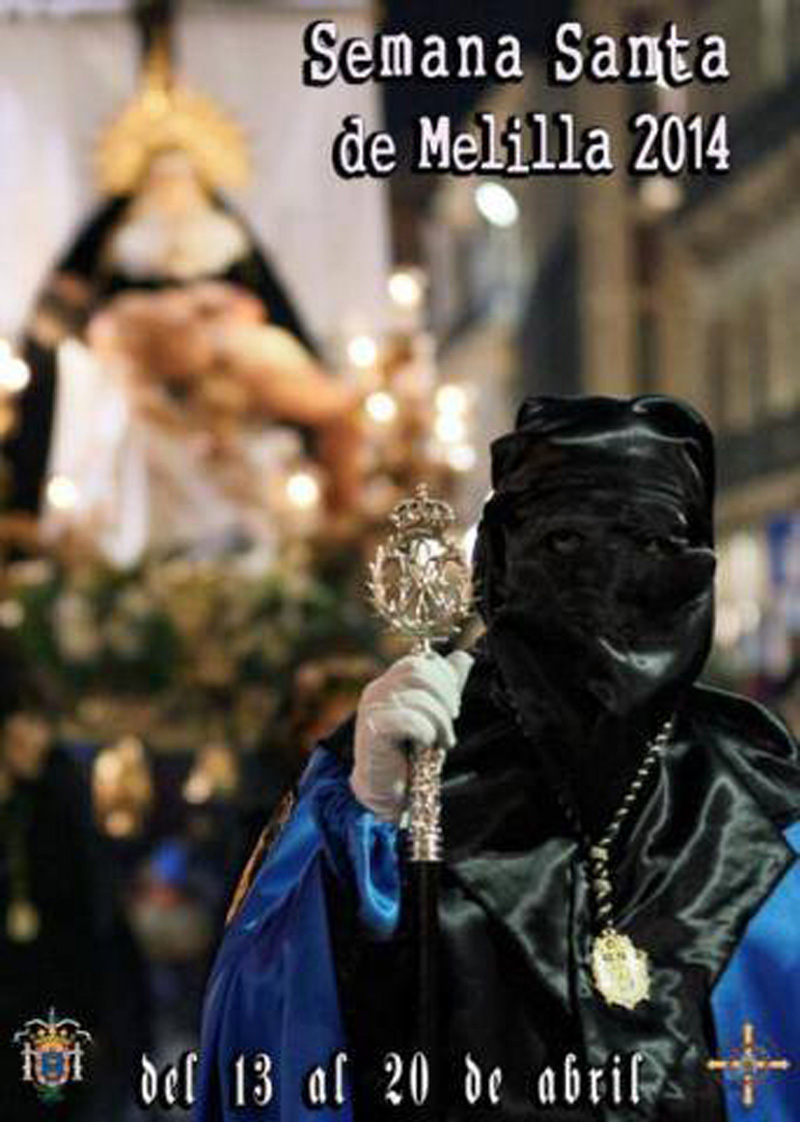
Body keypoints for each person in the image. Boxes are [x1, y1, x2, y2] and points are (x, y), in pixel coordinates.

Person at [195, 395, 800, 1122]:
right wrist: (360, 835)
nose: (610, 575)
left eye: (650, 540)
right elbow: (255, 1021)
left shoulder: (763, 799)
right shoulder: (406, 764)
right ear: (502, 563)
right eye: (566, 542)